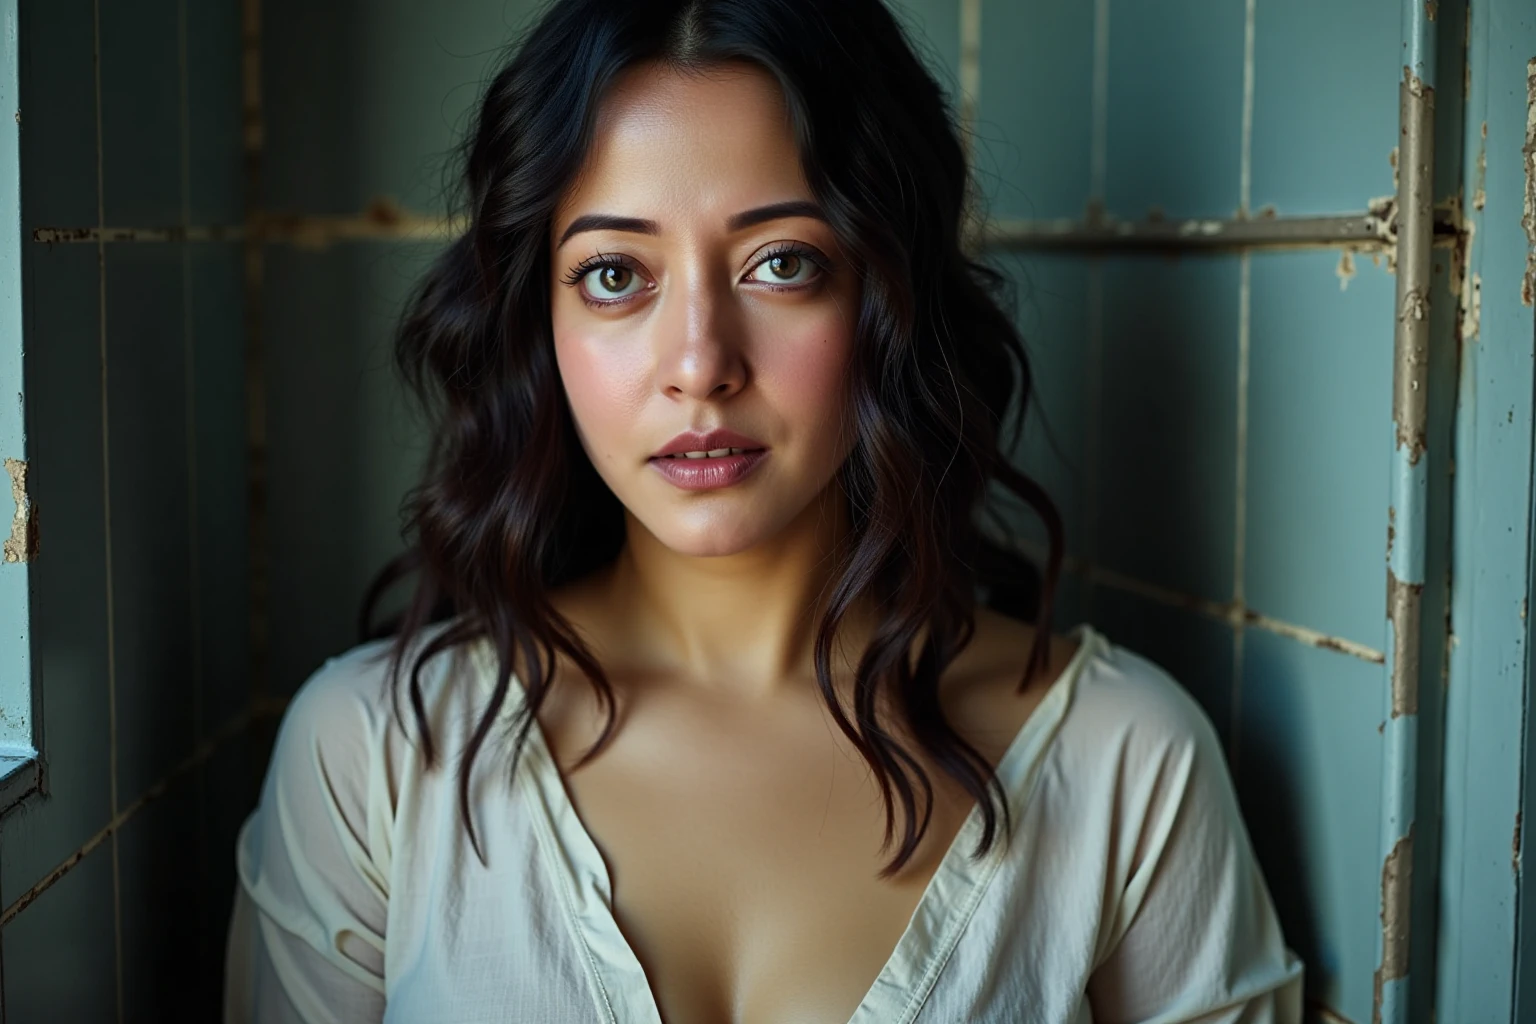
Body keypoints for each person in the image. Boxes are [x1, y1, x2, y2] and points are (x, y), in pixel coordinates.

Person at [224, 1, 1304, 1020]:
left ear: (888, 296)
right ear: (534, 318)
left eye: (781, 263)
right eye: (613, 275)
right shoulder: (373, 758)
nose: (699, 364)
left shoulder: (1126, 764)